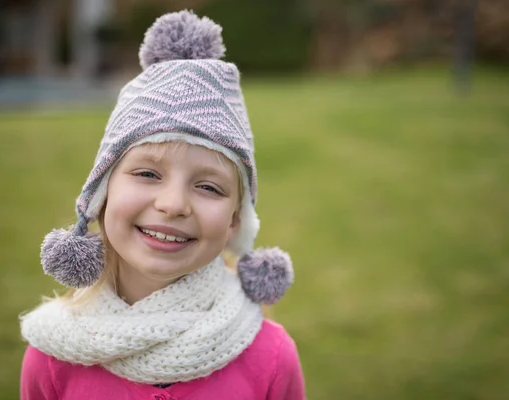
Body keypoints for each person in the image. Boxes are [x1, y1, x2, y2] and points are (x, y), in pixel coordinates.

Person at [20, 10, 305, 400]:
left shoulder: (271, 357)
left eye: (208, 187)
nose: (173, 205)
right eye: (147, 175)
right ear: (101, 195)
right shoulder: (51, 358)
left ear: (236, 222)